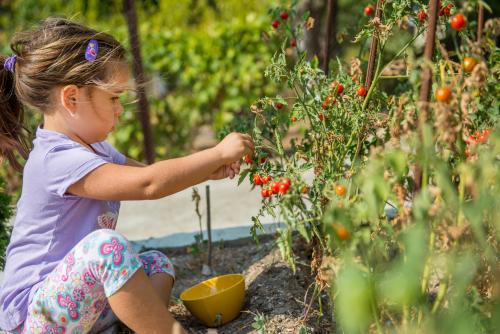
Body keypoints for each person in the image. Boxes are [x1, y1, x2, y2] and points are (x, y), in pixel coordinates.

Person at [0, 17, 254, 334]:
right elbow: (148, 184)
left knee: (156, 263)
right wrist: (216, 153)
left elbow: (148, 175)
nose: (120, 110)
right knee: (109, 249)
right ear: (72, 98)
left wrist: (207, 170)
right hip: (37, 317)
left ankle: (134, 328)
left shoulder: (97, 150)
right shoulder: (54, 160)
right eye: (114, 98)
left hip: (78, 308)